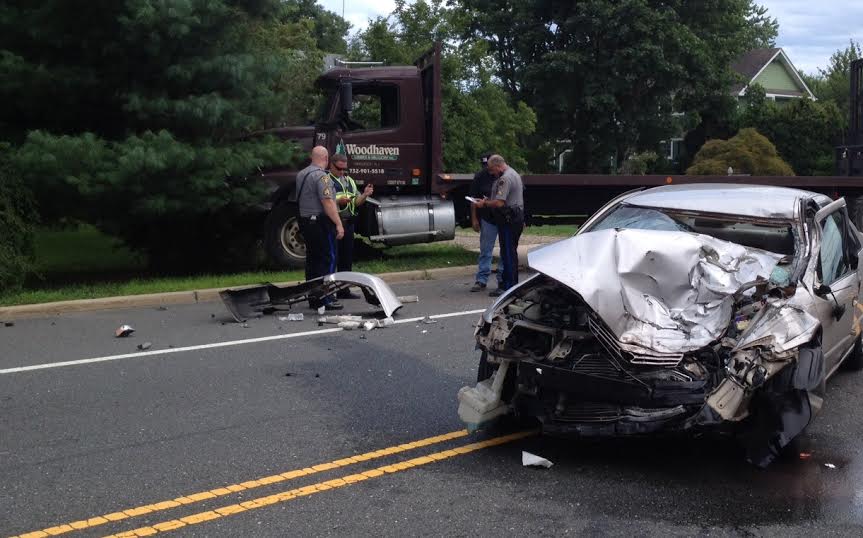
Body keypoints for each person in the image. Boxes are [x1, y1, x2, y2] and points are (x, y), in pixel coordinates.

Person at [296, 146, 345, 310]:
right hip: (320, 223)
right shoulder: (322, 177)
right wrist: (338, 223)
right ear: (325, 158)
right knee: (327, 259)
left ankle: (314, 297)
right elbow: (328, 202)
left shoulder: (301, 174)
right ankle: (326, 297)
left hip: (305, 222)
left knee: (312, 261)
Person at [473, 154, 524, 297]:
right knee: (510, 253)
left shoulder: (505, 179)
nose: (491, 173)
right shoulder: (514, 173)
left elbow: (500, 203)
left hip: (509, 219)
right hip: (514, 218)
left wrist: (484, 203)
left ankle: (508, 286)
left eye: (492, 170)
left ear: (498, 166)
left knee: (507, 254)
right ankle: (510, 284)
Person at [329, 153, 374, 299]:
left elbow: (355, 202)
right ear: (331, 165)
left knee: (346, 259)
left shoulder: (349, 181)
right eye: (339, 169)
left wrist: (365, 195)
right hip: (334, 223)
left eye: (344, 169)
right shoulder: (327, 180)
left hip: (348, 224)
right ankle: (330, 292)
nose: (342, 172)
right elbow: (326, 201)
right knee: (332, 258)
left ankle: (344, 290)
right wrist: (339, 201)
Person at [469, 153, 504, 293]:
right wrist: (474, 218)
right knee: (485, 250)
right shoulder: (480, 176)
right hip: (488, 218)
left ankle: (502, 279)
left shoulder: (505, 176)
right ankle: (481, 279)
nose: (487, 169)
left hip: (503, 218)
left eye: (489, 166)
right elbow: (473, 199)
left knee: (505, 250)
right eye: (485, 166)